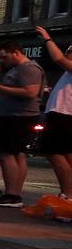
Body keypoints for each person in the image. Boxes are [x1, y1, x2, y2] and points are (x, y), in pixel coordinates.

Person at [0, 40, 45, 207]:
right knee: (16, 154)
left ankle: (12, 194)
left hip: (18, 117)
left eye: (4, 57)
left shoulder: (28, 68)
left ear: (16, 53)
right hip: (14, 115)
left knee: (6, 154)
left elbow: (30, 92)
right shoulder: (15, 69)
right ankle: (14, 194)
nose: (2, 61)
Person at [35, 27, 72, 198]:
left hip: (63, 115)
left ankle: (68, 194)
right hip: (62, 114)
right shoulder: (67, 74)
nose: (67, 53)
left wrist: (47, 39)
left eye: (70, 50)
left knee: (54, 153)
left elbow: (57, 58)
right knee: (66, 154)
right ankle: (68, 193)